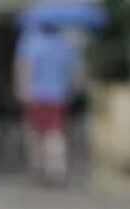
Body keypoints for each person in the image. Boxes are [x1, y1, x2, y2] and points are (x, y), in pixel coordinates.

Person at [14, 22, 80, 185]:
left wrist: (22, 89)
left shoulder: (30, 41)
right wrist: (71, 90)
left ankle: (38, 167)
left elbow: (25, 67)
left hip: (36, 95)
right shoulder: (64, 44)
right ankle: (57, 168)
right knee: (56, 133)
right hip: (58, 95)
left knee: (35, 133)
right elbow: (74, 72)